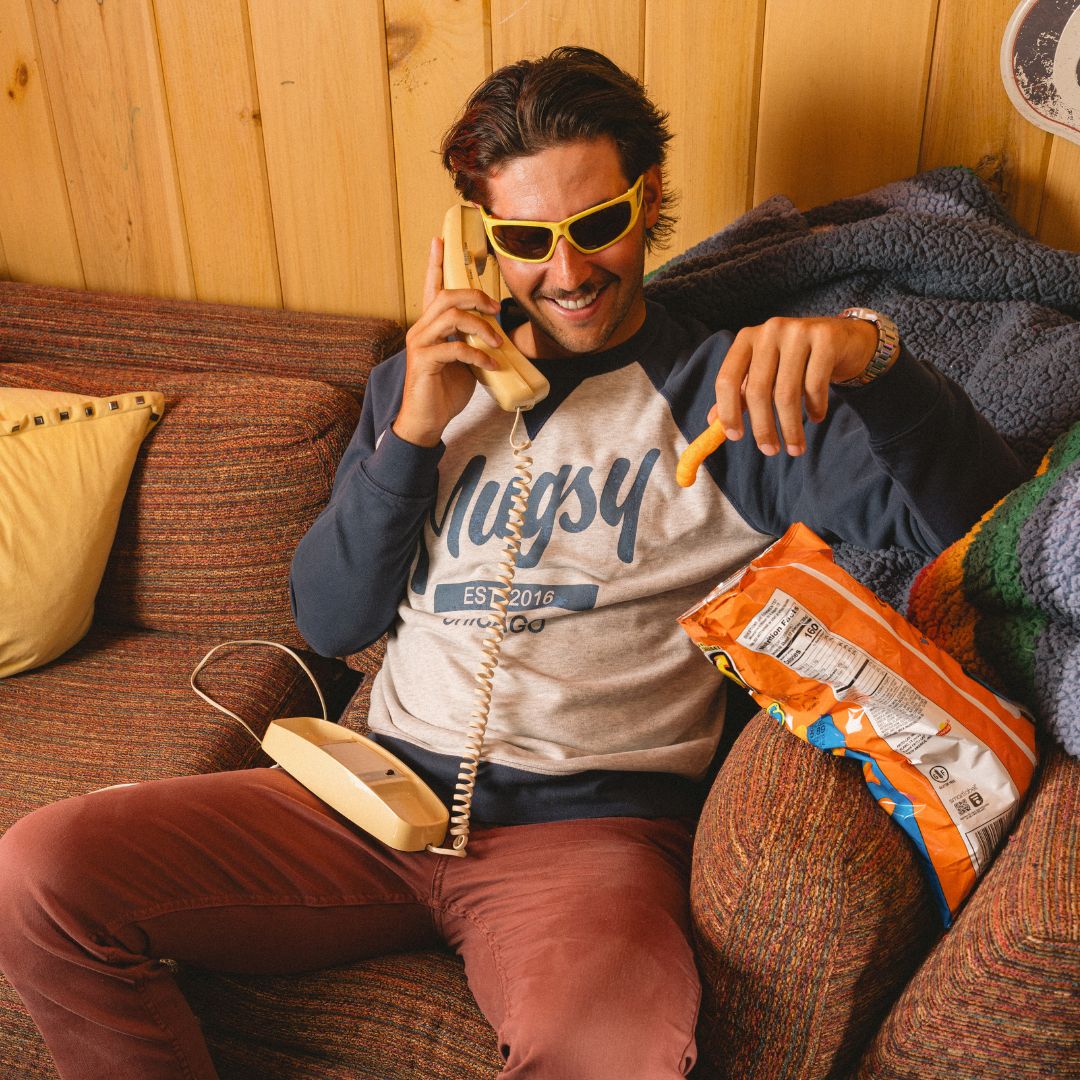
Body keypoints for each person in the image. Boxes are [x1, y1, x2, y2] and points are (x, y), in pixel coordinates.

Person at [0, 47, 1025, 1079]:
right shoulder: (423, 386)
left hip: (586, 843)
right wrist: (412, 432)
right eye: (528, 238)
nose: (569, 271)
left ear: (649, 198)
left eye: (598, 224)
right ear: (480, 238)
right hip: (364, 799)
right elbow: (328, 619)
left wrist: (879, 363)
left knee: (607, 1049)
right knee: (40, 872)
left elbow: (984, 531)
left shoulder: (731, 396)